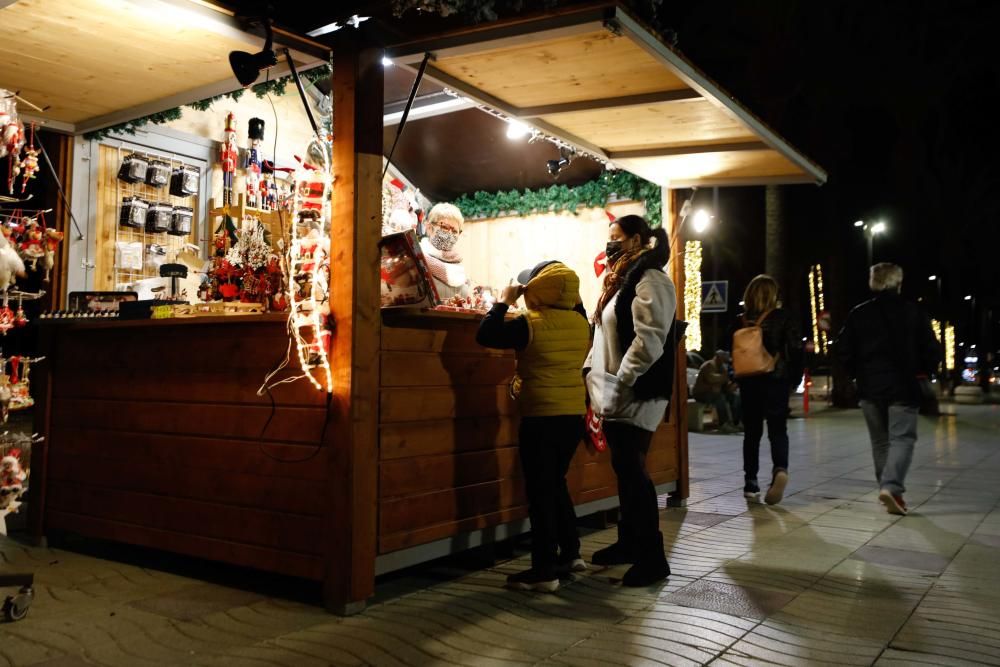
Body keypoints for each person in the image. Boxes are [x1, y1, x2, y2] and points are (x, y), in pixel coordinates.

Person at [476, 260, 590, 592]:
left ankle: (544, 571)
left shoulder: (530, 324)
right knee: (555, 484)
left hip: (541, 416)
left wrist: (504, 301)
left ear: (538, 291)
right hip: (571, 417)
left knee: (541, 494)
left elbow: (486, 334)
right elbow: (574, 302)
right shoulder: (581, 323)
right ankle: (570, 554)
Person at [584, 214, 674, 587]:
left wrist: (623, 378)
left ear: (637, 240)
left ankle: (652, 556)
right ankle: (629, 543)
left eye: (616, 237)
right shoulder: (621, 280)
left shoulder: (649, 278)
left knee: (633, 470)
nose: (611, 244)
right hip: (617, 390)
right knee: (625, 468)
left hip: (638, 391)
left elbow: (649, 337)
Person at [836, 263, 940, 515]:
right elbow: (931, 350)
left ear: (873, 283)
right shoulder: (913, 312)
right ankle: (891, 488)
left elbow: (843, 350)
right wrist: (926, 370)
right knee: (903, 438)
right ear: (898, 283)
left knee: (881, 442)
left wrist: (855, 375)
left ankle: (889, 489)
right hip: (903, 386)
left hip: (869, 387)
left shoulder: (858, 314)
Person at [734, 275, 800, 505]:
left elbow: (729, 350)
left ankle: (751, 483)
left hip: (749, 381)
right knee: (777, 430)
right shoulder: (783, 317)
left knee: (752, 433)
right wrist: (795, 377)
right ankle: (780, 469)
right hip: (776, 380)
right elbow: (795, 348)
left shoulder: (740, 320)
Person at [420, 203, 471, 301]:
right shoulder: (418, 258)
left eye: (455, 231)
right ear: (429, 228)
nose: (450, 234)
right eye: (445, 227)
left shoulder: (458, 264)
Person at [693, 350, 741, 433]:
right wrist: (724, 377)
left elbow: (725, 382)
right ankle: (724, 424)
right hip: (701, 393)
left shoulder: (721, 367)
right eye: (723, 359)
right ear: (718, 358)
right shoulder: (709, 365)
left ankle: (735, 422)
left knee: (734, 397)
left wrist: (731, 385)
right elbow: (711, 378)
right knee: (719, 398)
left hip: (713, 392)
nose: (724, 362)